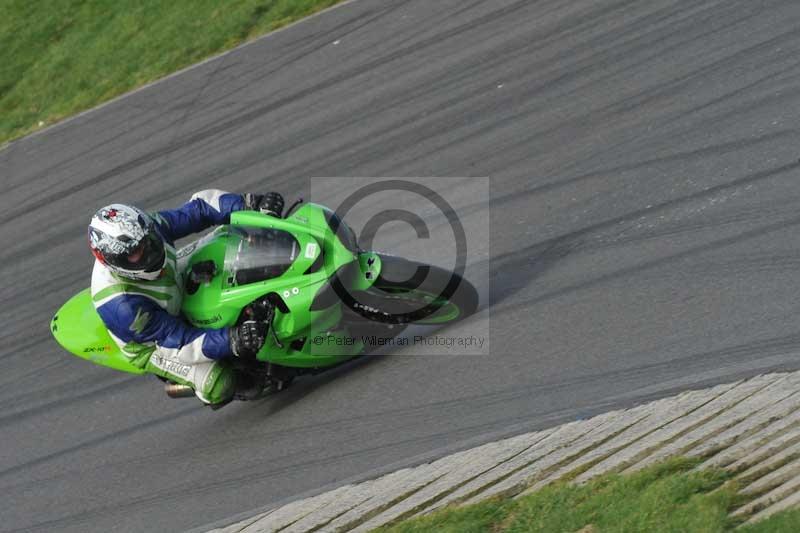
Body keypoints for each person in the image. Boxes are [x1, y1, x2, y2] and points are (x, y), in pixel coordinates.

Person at [87, 189, 284, 406]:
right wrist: (233, 340)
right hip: (156, 343)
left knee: (227, 236)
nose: (148, 252)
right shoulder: (125, 307)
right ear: (115, 262)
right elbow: (179, 342)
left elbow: (199, 210)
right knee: (217, 382)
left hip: (168, 279)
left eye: (148, 242)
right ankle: (227, 378)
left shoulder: (143, 230)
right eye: (135, 253)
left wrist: (249, 205)